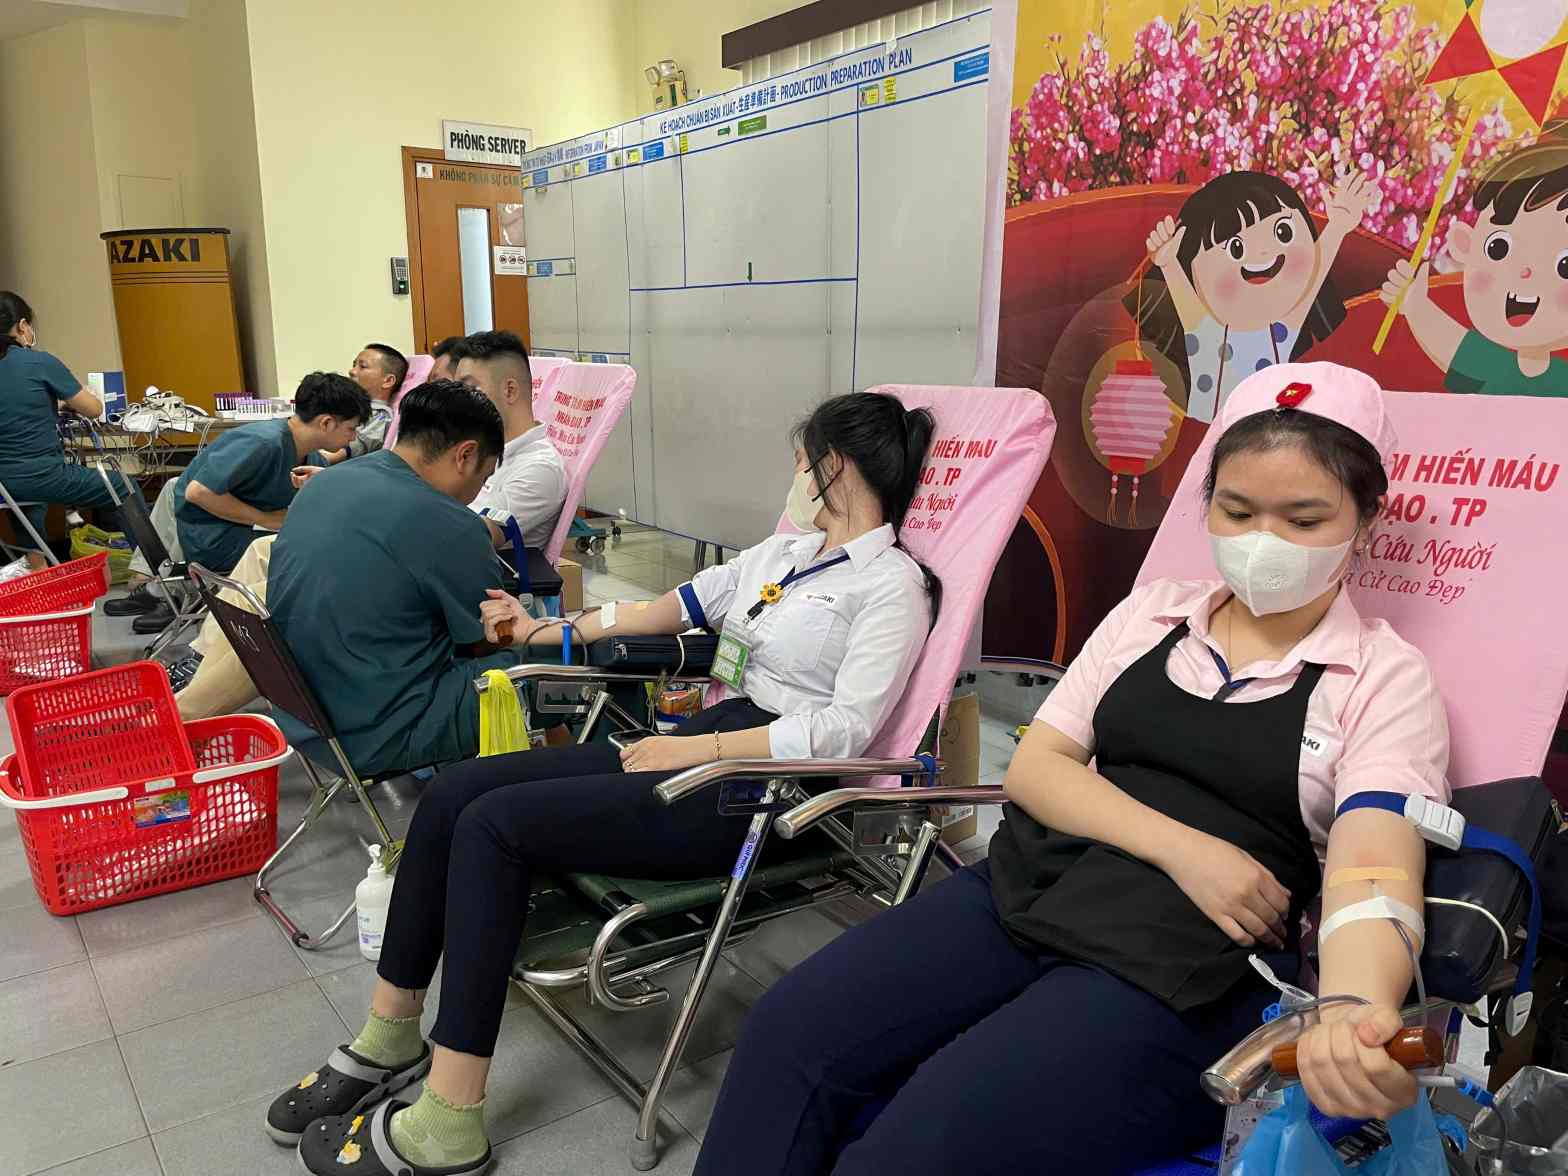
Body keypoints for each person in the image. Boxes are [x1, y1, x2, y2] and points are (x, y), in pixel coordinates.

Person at [695, 362, 1450, 1175]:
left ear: (1366, 521)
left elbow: (1374, 868)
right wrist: (1187, 849)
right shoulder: (1151, 613)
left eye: (1303, 519)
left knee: (918, 1147)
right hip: (1024, 890)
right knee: (789, 1035)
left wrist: (1352, 1011)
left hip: (1175, 970)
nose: (1263, 541)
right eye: (1236, 511)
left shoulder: (1383, 676)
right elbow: (1039, 770)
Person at [264, 391, 940, 1176]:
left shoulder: (893, 586)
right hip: (694, 745)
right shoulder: (784, 556)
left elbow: (844, 732)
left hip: (756, 791)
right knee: (456, 795)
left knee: (495, 826)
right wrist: (544, 629)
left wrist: (694, 757)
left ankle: (451, 1118)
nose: (795, 472)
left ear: (837, 465)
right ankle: (389, 1035)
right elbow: (661, 612)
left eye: (804, 457)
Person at [264, 380, 519, 776]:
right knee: (561, 665)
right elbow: (487, 641)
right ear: (465, 455)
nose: (474, 493)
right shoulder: (451, 524)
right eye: (482, 478)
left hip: (303, 716)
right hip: (381, 730)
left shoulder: (328, 481)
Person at [1135, 170, 1371, 422]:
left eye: (1283, 232)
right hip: (1207, 441)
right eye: (1236, 248)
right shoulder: (1206, 332)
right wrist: (1169, 263)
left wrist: (1337, 226)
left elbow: (1310, 281)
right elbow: (1181, 292)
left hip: (1264, 443)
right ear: (1193, 269)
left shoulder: (1278, 333)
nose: (1263, 253)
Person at [1382, 120, 1568, 396]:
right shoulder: (1495, 364)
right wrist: (1416, 305)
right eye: (1498, 249)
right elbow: (1452, 346)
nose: (1526, 271)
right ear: (1464, 244)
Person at [0, 291, 142, 570]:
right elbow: (93, 409)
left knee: (29, 498)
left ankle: (35, 566)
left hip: (4, 484)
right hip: (40, 474)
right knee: (122, 486)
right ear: (22, 325)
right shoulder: (39, 362)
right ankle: (148, 573)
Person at [174, 372, 367, 576]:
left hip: (242, 532)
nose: (353, 437)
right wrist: (265, 519)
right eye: (351, 429)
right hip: (216, 541)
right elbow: (198, 492)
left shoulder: (306, 453)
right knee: (327, 554)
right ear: (326, 423)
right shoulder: (263, 442)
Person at [455, 330, 566, 551]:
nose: (457, 399)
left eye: (469, 389)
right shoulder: (483, 449)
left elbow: (469, 537)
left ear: (510, 390)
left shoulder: (540, 469)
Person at [324, 343, 408, 464]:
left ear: (388, 381)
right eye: (354, 365)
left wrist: (327, 458)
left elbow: (363, 441)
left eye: (362, 366)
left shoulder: (381, 415)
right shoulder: (350, 405)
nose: (351, 371)